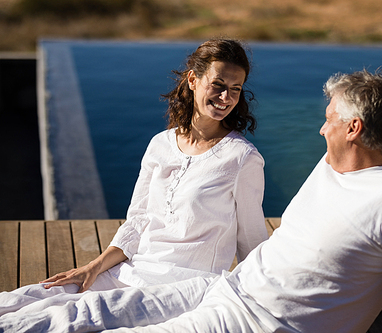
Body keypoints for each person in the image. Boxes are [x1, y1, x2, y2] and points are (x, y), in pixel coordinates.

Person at [0, 69, 382, 333]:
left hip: (256, 320)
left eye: (329, 120)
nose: (322, 129)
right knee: (85, 311)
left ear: (353, 129)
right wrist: (368, 291)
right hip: (228, 285)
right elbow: (336, 247)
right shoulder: (331, 168)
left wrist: (370, 295)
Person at [0, 38, 268, 316]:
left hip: (182, 289)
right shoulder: (160, 144)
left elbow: (252, 241)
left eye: (235, 89)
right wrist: (94, 267)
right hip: (130, 270)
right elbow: (138, 221)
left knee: (63, 318)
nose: (226, 98)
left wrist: (256, 305)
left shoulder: (241, 158)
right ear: (193, 79)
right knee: (29, 298)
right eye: (218, 85)